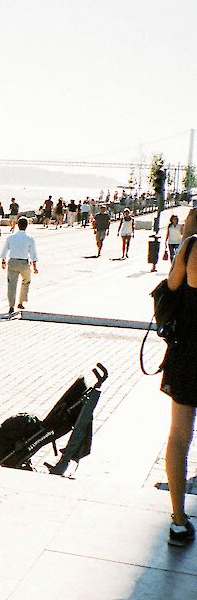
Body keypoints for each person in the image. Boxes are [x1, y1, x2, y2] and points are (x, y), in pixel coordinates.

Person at [162, 208, 197, 546]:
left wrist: (188, 234)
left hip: (188, 353)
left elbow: (171, 286)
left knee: (179, 436)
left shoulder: (190, 247)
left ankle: (178, 519)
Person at [0, 217, 38, 313]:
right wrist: (34, 267)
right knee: (26, 281)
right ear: (26, 226)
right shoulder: (30, 238)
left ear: (17, 225)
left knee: (11, 284)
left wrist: (3, 261)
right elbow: (33, 253)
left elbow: (4, 250)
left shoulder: (10, 237)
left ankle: (11, 305)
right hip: (24, 263)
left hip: (12, 262)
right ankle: (21, 302)